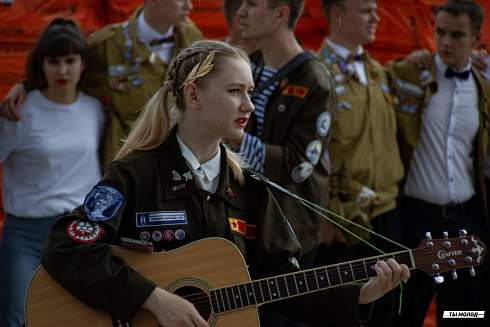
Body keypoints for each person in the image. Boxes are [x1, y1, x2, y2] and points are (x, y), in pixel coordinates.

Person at [40, 39, 409, 327]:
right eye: (235, 92)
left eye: (250, 91)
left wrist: (358, 295)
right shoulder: (135, 174)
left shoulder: (248, 188)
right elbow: (67, 247)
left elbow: (282, 284)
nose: (249, 105)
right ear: (194, 95)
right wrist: (152, 298)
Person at [0, 0, 203, 170]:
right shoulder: (107, 44)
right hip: (130, 168)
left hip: (179, 165)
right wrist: (25, 86)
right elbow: (65, 71)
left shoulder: (194, 39)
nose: (189, 6)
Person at [384, 1, 490, 326]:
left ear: (476, 37)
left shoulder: (483, 89)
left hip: (466, 221)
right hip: (415, 221)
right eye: (440, 32)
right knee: (406, 314)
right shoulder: (410, 75)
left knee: (462, 315)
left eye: (457, 35)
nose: (445, 42)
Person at [232, 1, 337, 325]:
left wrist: (230, 136)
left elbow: (298, 165)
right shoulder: (252, 63)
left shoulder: (315, 79)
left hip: (287, 234)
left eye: (252, 4)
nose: (241, 12)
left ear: (281, 13)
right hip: (244, 225)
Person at [0, 18, 105, 327]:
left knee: (83, 318)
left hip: (81, 230)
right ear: (40, 65)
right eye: (54, 61)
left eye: (70, 60)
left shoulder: (96, 109)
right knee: (18, 319)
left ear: (82, 64)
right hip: (25, 236)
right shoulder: (17, 112)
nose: (62, 70)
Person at [312, 1, 405, 326]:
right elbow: (310, 155)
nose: (376, 17)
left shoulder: (378, 70)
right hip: (342, 220)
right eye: (366, 10)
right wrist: (321, 215)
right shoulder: (315, 73)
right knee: (343, 313)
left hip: (386, 213)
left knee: (386, 313)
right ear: (337, 14)